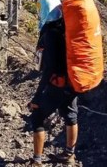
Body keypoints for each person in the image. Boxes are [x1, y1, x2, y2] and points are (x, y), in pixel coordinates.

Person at [27, 16, 78, 166]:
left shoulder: (51, 33)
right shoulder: (69, 28)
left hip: (58, 83)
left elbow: (49, 68)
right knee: (71, 116)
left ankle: (37, 160)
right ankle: (69, 155)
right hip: (74, 81)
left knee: (37, 117)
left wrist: (36, 97)